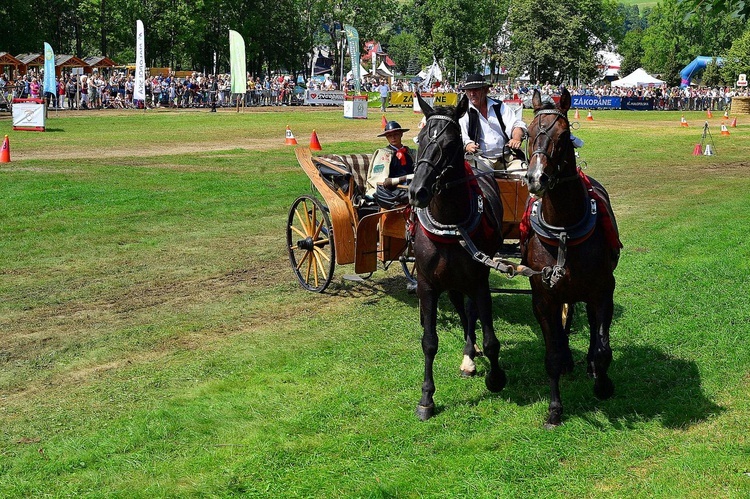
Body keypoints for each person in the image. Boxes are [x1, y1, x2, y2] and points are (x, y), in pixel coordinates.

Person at [458, 73, 527, 172]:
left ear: (486, 90)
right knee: (480, 176)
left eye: (476, 90)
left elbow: (516, 125)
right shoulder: (464, 112)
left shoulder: (499, 106)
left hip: (506, 159)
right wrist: (468, 145)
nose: (472, 93)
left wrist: (516, 138)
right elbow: (463, 135)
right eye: (469, 90)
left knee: (525, 173)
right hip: (480, 159)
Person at [366, 121, 415, 208]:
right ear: (386, 137)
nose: (393, 138)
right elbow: (378, 177)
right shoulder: (382, 154)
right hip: (391, 188)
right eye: (389, 136)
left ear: (401, 134)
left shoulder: (412, 153)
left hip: (411, 185)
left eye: (396, 134)